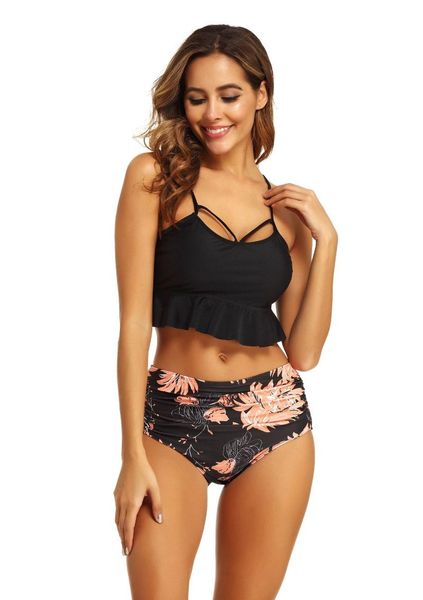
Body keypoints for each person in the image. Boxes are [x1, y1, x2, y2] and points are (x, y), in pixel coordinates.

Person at [113, 24, 338, 600]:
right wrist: (131, 455)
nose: (212, 113)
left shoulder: (286, 212)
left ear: (261, 95)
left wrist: (328, 241)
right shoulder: (154, 179)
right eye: (197, 98)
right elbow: (134, 324)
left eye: (229, 95)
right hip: (172, 419)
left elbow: (305, 352)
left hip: (276, 422)